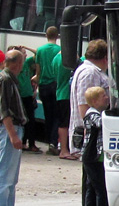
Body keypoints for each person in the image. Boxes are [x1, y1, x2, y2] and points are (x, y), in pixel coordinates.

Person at [0, 48, 29, 206]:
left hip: (11, 129)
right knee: (5, 175)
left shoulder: (7, 79)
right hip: (8, 130)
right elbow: (4, 111)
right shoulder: (4, 80)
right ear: (17, 64)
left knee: (11, 177)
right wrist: (13, 135)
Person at [80, 85, 119, 206]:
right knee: (101, 188)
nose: (106, 97)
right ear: (95, 101)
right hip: (93, 157)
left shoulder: (97, 112)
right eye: (103, 96)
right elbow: (102, 124)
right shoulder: (92, 115)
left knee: (92, 187)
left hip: (94, 157)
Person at [69, 39, 114, 159]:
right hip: (91, 136)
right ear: (105, 57)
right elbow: (85, 105)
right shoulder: (90, 73)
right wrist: (88, 134)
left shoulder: (90, 70)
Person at [35, 27, 62, 155]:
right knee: (57, 115)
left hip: (43, 85)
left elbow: (38, 70)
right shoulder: (59, 50)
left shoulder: (40, 50)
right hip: (55, 84)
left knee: (48, 115)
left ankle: (48, 140)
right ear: (57, 36)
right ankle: (53, 142)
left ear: (46, 35)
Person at [14, 44, 42, 153]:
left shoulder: (27, 63)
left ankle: (30, 143)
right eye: (23, 52)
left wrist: (27, 47)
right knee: (22, 120)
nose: (26, 54)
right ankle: (24, 142)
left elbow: (38, 53)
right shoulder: (17, 65)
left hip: (28, 95)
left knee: (30, 120)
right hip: (20, 96)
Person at [54, 47, 76, 159]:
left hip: (60, 93)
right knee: (64, 123)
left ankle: (65, 149)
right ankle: (64, 150)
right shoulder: (66, 60)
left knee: (63, 122)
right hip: (66, 94)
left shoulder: (55, 58)